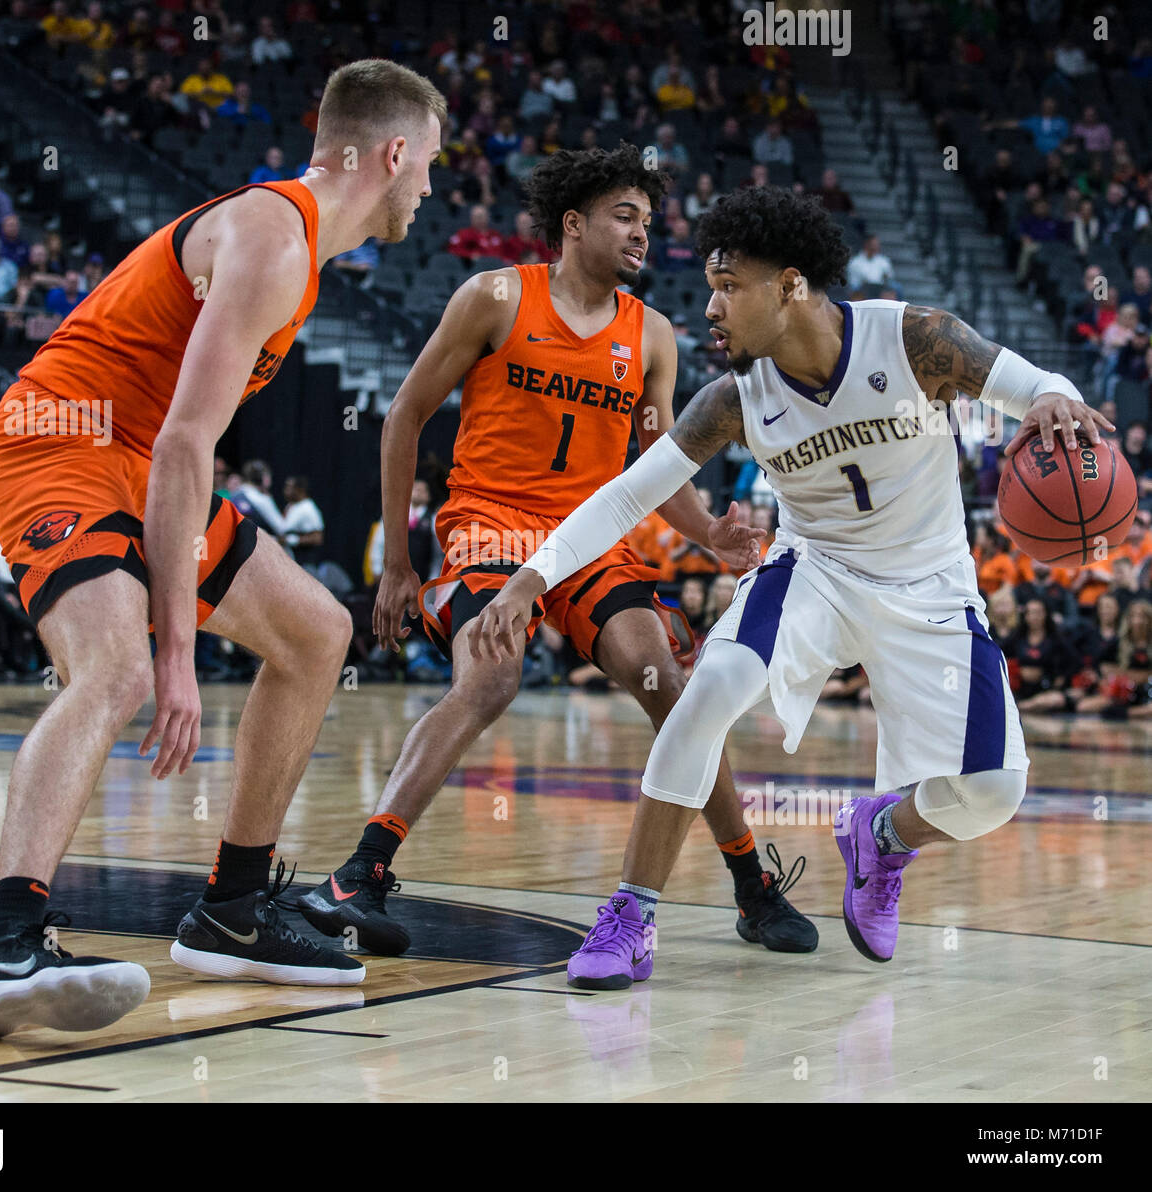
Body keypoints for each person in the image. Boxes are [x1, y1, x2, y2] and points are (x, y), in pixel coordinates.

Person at [473, 185, 1110, 980]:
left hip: (932, 588)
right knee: (705, 692)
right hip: (815, 571)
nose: (710, 308)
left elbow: (1041, 385)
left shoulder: (915, 340)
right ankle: (629, 916)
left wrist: (1061, 405)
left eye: (729, 286)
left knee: (993, 792)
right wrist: (531, 577)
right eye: (710, 286)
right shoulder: (736, 398)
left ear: (791, 285)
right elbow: (630, 494)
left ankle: (880, 838)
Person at [0, 59, 448, 1039]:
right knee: (118, 667)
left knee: (314, 631)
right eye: (425, 164)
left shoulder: (295, 249)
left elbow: (170, 449)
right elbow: (184, 442)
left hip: (133, 456)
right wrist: (179, 652)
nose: (428, 187)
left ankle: (234, 905)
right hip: (59, 440)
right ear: (391, 154)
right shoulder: (271, 233)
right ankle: (6, 939)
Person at [296, 144, 813, 975]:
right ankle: (361, 875)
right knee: (491, 678)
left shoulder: (652, 334)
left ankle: (752, 885)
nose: (644, 234)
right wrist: (396, 560)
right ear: (573, 225)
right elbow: (404, 415)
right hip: (491, 528)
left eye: (650, 220)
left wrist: (707, 531)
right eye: (625, 216)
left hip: (592, 539)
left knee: (673, 690)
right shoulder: (496, 296)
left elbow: (654, 466)